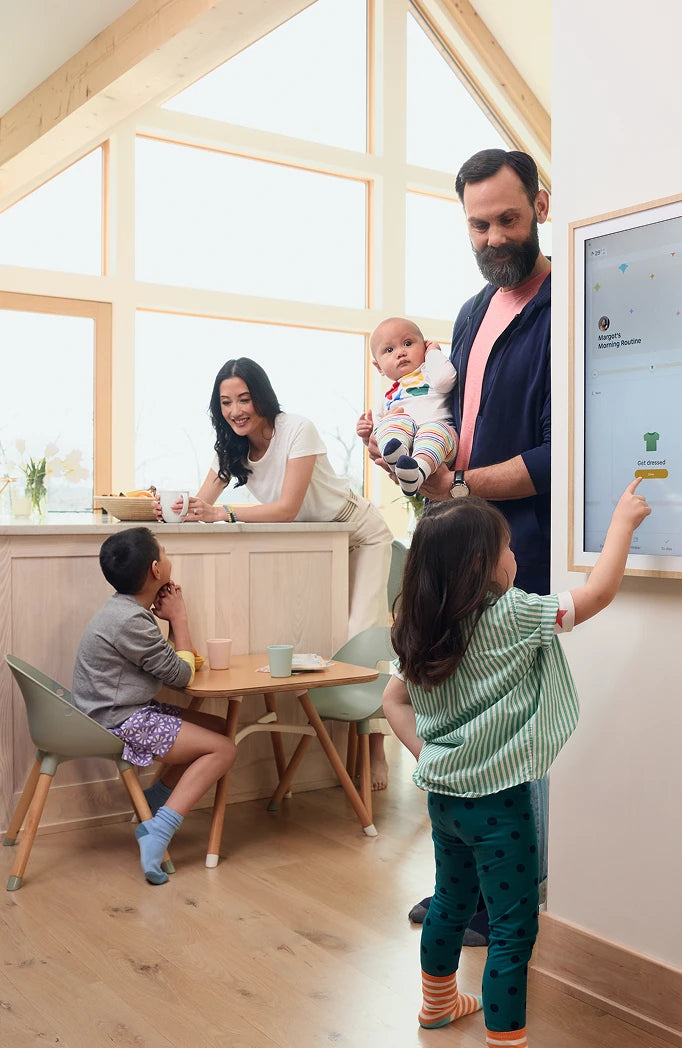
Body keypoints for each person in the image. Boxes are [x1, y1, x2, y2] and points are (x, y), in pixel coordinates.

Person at [382, 483, 650, 1048]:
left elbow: (393, 702)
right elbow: (597, 593)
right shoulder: (512, 615)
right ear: (482, 564)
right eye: (507, 548)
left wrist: (433, 757)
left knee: (451, 902)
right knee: (512, 927)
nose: (516, 557)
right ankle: (505, 1040)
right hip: (501, 804)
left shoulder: (418, 625)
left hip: (445, 800)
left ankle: (438, 1006)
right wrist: (622, 523)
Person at [404, 148, 553, 942]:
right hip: (456, 550)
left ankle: (506, 902)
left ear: (541, 205)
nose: (494, 237)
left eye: (508, 218)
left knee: (510, 743)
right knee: (460, 728)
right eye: (478, 224)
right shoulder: (470, 312)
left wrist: (462, 487)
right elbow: (447, 426)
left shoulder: (566, 305)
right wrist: (409, 453)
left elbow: (560, 453)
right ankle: (463, 893)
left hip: (517, 556)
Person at [165, 357, 394, 791]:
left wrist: (221, 512)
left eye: (244, 399)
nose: (236, 410)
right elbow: (202, 507)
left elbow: (287, 508)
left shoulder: (296, 429)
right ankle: (334, 753)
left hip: (358, 533)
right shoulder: (229, 446)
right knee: (325, 640)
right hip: (314, 546)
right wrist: (178, 511)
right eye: (226, 402)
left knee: (359, 635)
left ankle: (375, 744)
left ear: (262, 397)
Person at [72, 527, 237, 885]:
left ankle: (153, 801)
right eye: (163, 550)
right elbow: (181, 675)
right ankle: (158, 830)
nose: (167, 554)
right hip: (119, 721)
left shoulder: (127, 612)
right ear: (156, 571)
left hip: (121, 711)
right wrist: (179, 618)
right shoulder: (131, 621)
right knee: (224, 749)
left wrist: (172, 629)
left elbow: (173, 664)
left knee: (219, 730)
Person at [356, 317, 457, 495]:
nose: (400, 352)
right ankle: (401, 461)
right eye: (389, 350)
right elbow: (376, 440)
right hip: (408, 447)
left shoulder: (430, 371)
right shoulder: (389, 397)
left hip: (442, 443)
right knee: (392, 422)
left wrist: (433, 352)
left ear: (424, 346)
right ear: (379, 367)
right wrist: (368, 434)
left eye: (408, 343)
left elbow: (445, 381)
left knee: (433, 429)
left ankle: (417, 471)